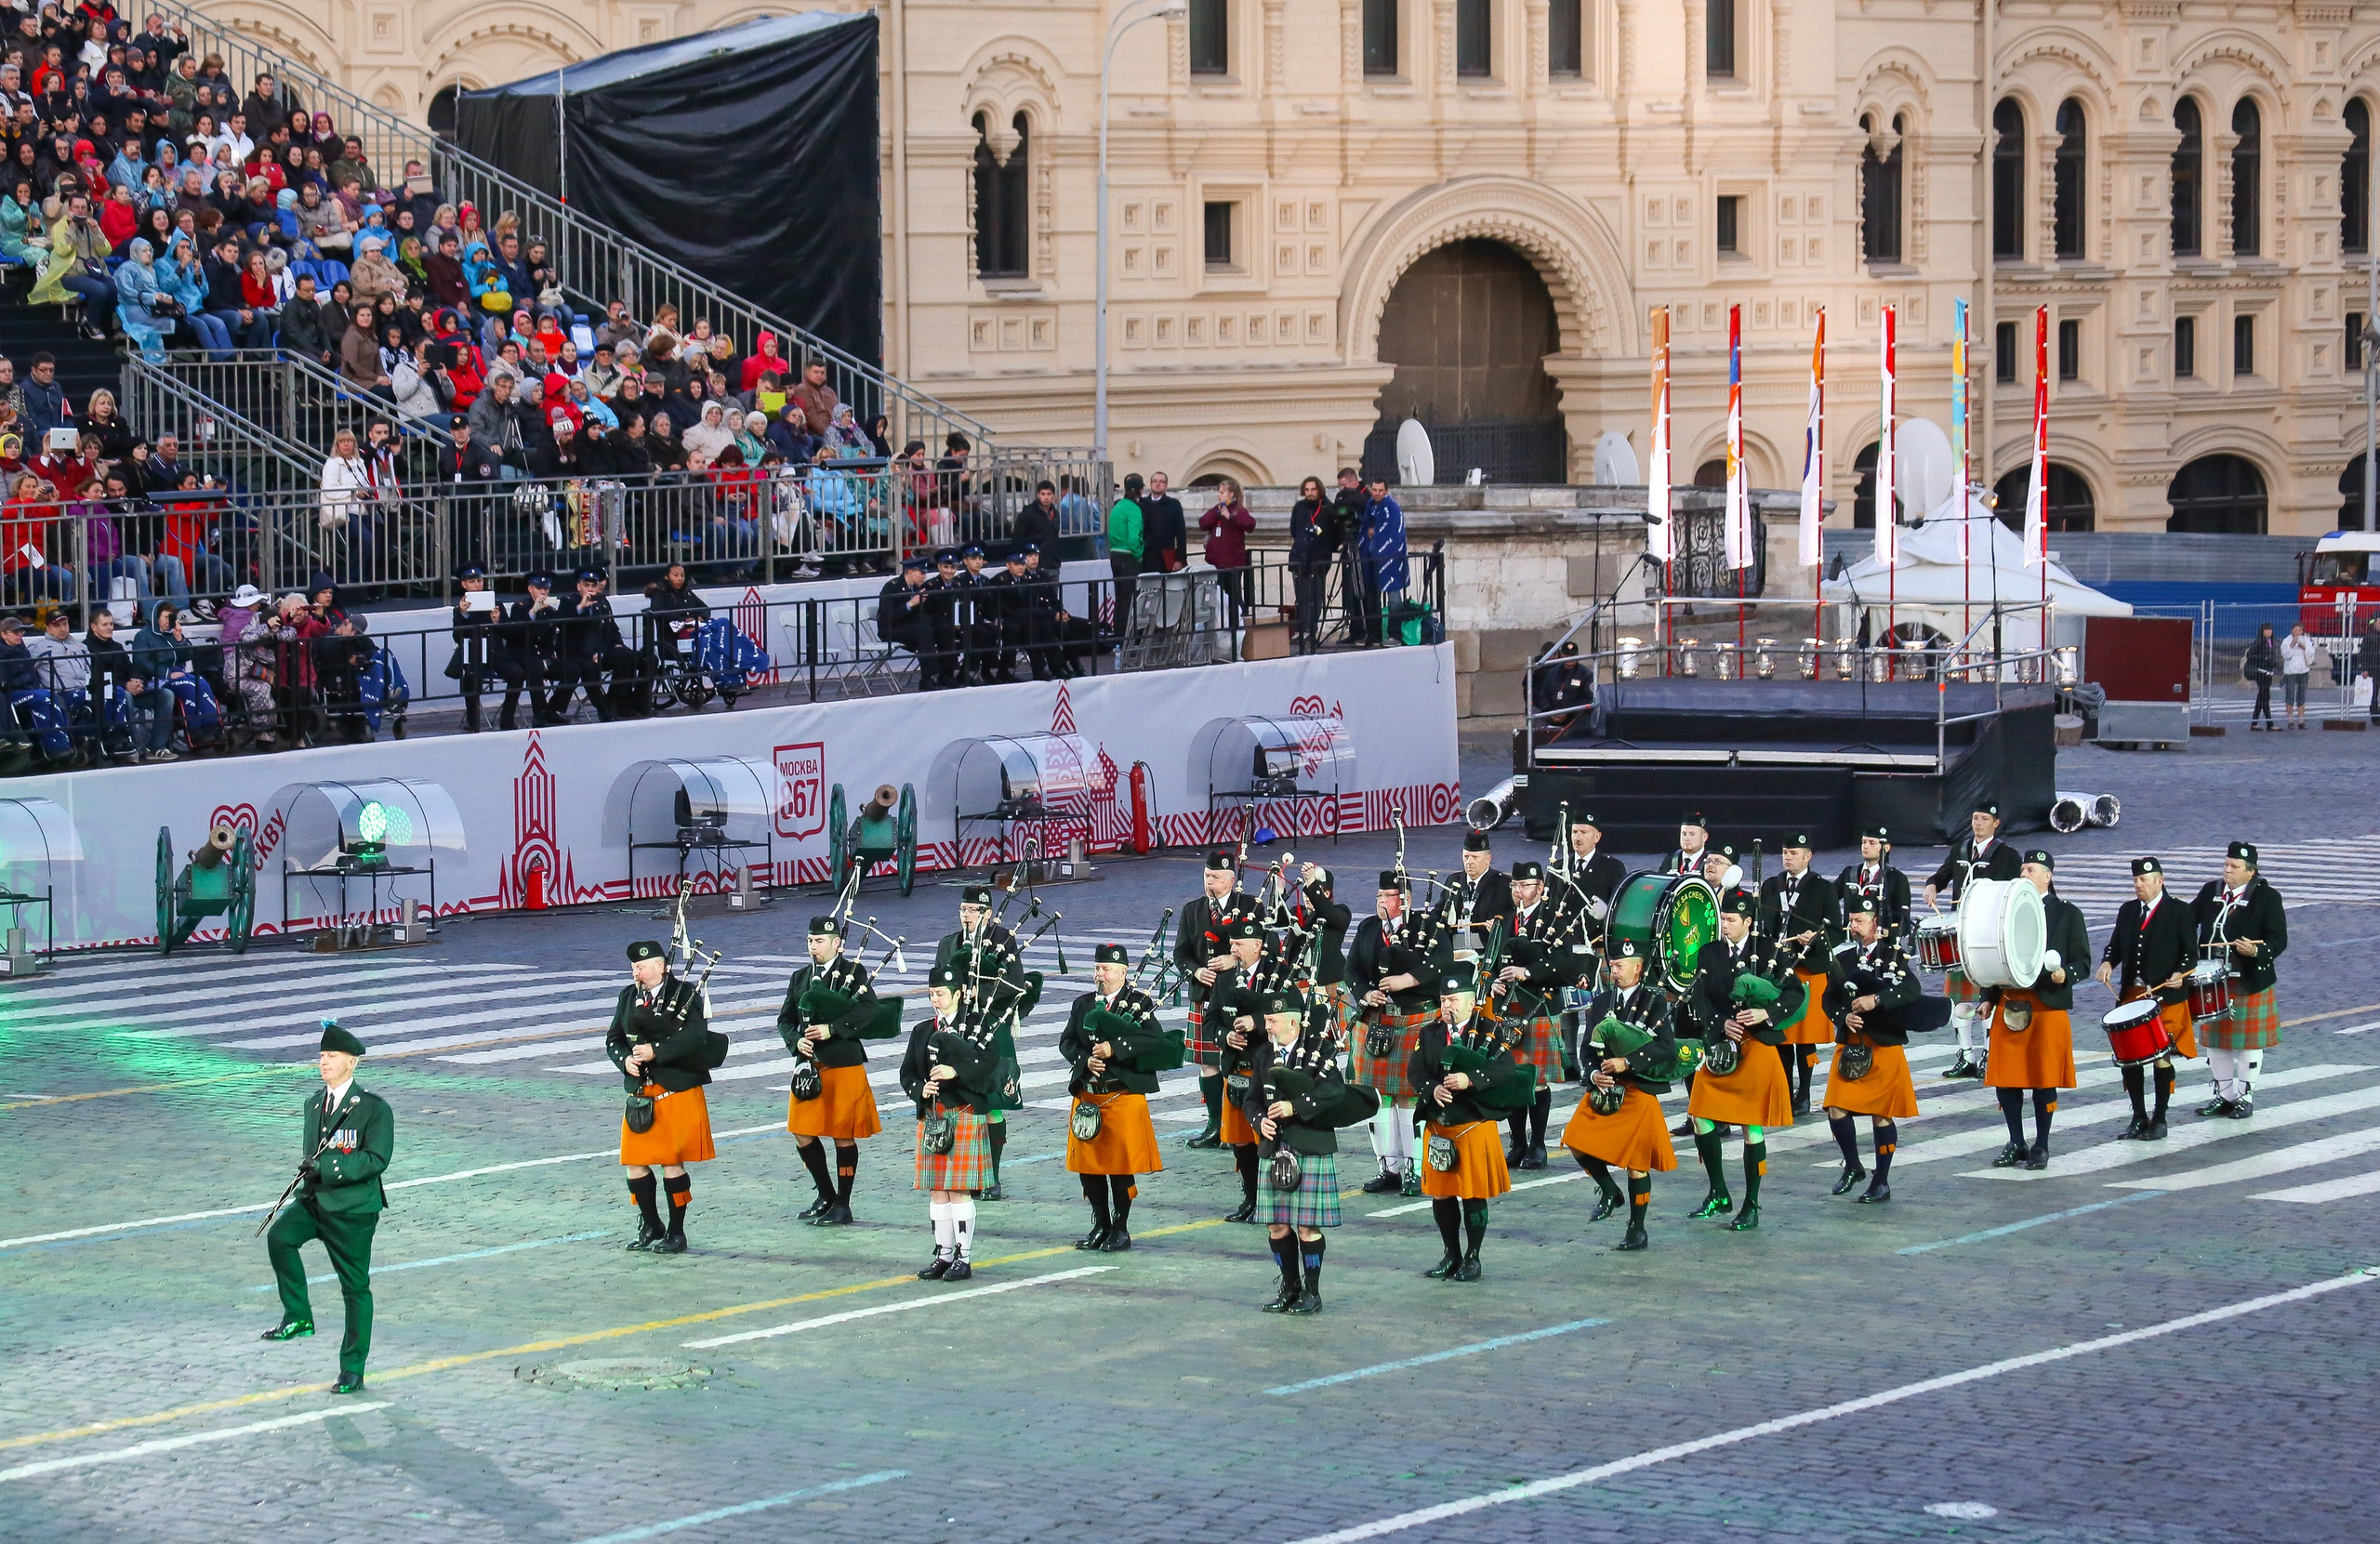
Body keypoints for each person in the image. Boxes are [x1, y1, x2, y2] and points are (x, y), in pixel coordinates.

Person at [259, 1021, 390, 1396]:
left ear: (352, 1063)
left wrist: (329, 1168)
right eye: (321, 1057)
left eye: (332, 1057)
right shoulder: (314, 1103)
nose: (324, 1063)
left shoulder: (372, 1109)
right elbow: (312, 1151)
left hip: (352, 1210)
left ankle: (352, 1369)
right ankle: (298, 1316)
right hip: (315, 1201)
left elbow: (376, 1159)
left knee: (355, 1288)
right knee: (280, 1238)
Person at [1681, 893, 1803, 1229]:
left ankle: (1752, 1204)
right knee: (1700, 1115)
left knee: (1751, 1126)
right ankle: (1719, 1192)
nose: (1725, 925)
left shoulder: (1769, 951)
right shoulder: (1709, 952)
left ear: (1748, 922)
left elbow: (1795, 994)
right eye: (1722, 919)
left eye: (1731, 920)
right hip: (1722, 1046)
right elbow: (1700, 996)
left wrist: (1767, 1012)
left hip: (1757, 1044)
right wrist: (1721, 1023)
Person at [1559, 937, 1679, 1250]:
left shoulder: (1655, 1001)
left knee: (1636, 1163)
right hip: (1605, 1087)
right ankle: (1610, 1190)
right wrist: (1593, 1073)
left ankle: (1637, 1229)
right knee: (1575, 1139)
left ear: (1638, 968)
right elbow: (1587, 1048)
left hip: (1637, 1087)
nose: (1614, 971)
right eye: (1611, 966)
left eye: (1620, 966)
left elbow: (1666, 1047)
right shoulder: (1601, 1003)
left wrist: (1628, 1062)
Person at [779, 916, 894, 1227]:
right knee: (802, 1132)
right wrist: (796, 1041)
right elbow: (785, 1020)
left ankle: (843, 1204)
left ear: (837, 944)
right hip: (809, 1067)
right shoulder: (800, 977)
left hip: (843, 1063)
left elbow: (870, 1010)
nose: (813, 947)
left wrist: (834, 1029)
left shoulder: (852, 973)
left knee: (843, 1135)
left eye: (819, 941)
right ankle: (826, 1195)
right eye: (810, 941)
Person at [1060, 943, 1174, 1252]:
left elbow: (1154, 1040)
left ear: (1123, 972)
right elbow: (1067, 1042)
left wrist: (1115, 1049)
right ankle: (1100, 1224)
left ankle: (1121, 1227)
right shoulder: (1082, 1004)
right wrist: (1085, 1061)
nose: (1101, 974)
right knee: (1089, 1168)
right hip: (1088, 1097)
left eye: (1107, 969)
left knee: (1121, 1168)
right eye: (1097, 968)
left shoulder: (1139, 1003)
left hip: (1121, 1096)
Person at [1408, 972, 1523, 1280]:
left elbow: (1505, 1070)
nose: (1447, 1006)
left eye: (1454, 1000)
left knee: (1473, 1193)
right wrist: (1432, 1089)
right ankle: (1451, 1254)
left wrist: (1469, 1080)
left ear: (1472, 1003)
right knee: (1442, 1193)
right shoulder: (1429, 1033)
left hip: (1473, 1121)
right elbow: (1415, 1071)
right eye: (1444, 1000)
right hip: (1441, 1123)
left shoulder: (1489, 1029)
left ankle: (1473, 1256)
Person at [1978, 851, 2087, 1171]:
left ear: (2047, 876)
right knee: (2006, 1079)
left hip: (2046, 1005)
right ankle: (2016, 1141)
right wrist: (1988, 995)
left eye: (2031, 869)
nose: (2024, 873)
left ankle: (2042, 1144)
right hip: (2010, 1002)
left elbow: (2082, 961)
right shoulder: (2005, 911)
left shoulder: (2068, 914)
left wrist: (2066, 973)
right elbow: (1995, 957)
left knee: (2044, 1079)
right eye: (2022, 868)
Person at [1246, 987, 1352, 1313]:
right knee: (1276, 1224)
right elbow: (1251, 1099)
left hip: (1310, 1144)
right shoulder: (1264, 1053)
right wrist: (1259, 1120)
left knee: (1307, 1226)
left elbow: (1335, 1090)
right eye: (1267, 1020)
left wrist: (1295, 1107)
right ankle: (1289, 1289)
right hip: (1273, 1147)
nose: (1268, 1026)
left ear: (1293, 1024)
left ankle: (1312, 1293)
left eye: (1273, 1021)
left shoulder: (1319, 1050)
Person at [899, 965, 998, 1282]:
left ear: (958, 994)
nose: (935, 1000)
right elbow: (907, 1073)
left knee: (958, 1191)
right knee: (937, 1191)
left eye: (941, 994)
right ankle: (943, 1254)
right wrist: (919, 1089)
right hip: (932, 1116)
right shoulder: (922, 1030)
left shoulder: (979, 1027)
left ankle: (964, 1258)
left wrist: (957, 1072)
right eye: (931, 994)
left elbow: (991, 1064)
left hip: (963, 1113)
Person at [1822, 895, 1923, 1203]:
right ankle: (1853, 1166)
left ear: (1874, 923)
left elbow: (1911, 989)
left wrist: (1876, 1000)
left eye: (1859, 921)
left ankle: (1881, 1180)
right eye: (1851, 921)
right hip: (1851, 1043)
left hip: (1884, 1043)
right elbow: (1829, 998)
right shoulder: (1843, 957)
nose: (1853, 927)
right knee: (1835, 1107)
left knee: (1881, 1115)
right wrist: (1844, 1016)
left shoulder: (1892, 954)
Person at [932, 885, 1030, 1197]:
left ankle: (992, 1177)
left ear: (988, 914)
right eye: (963, 909)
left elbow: (1014, 985)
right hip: (958, 1030)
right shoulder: (949, 943)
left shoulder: (1004, 941)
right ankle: (965, 1172)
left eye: (973, 910)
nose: (967, 915)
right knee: (961, 1100)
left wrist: (981, 993)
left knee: (991, 1102)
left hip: (992, 1027)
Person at [2094, 855, 2198, 1140]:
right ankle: (2138, 1116)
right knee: (2130, 1057)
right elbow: (2115, 946)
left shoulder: (2179, 911)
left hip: (2165, 997)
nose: (2138, 885)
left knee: (2161, 1057)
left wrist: (2179, 973)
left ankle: (2160, 1119)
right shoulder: (2128, 911)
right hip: (2132, 994)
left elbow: (2191, 954)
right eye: (2136, 880)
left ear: (2160, 881)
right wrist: (2106, 964)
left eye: (2144, 880)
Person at [1347, 869, 1434, 1194]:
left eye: (1388, 897)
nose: (1382, 902)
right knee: (1379, 1098)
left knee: (1409, 1097)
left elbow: (1439, 963)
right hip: (1378, 1021)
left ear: (1406, 900)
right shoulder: (1369, 927)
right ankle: (1389, 1168)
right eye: (1379, 897)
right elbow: (1351, 968)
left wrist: (1407, 980)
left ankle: (1415, 1171)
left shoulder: (1427, 925)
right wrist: (1366, 994)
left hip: (1414, 1020)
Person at [1925, 801, 2022, 1079]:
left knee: (1986, 997)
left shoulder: (2007, 855)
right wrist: (1933, 884)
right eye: (1975, 818)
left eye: (1984, 819)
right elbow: (1943, 875)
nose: (1978, 823)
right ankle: (1966, 1055)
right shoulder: (1961, 849)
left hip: (1987, 934)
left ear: (1996, 823)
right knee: (1959, 1000)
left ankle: (1990, 1055)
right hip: (1960, 930)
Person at [2190, 842, 2288, 1118]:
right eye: (2226, 865)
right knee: (2215, 1041)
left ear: (2251, 871)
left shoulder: (2267, 897)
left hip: (2248, 979)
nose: (2227, 870)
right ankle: (2224, 1095)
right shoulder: (2211, 891)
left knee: (2248, 1043)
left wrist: (2257, 951)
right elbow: (2188, 918)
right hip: (2213, 979)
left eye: (2234, 867)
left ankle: (2246, 1097)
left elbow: (2279, 939)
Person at [1486, 860, 1570, 1169]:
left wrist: (1529, 971)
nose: (1518, 892)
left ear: (1540, 888)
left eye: (1524, 886)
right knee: (1511, 1079)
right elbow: (1490, 960)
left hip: (1539, 1008)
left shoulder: (1554, 922)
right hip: (1507, 1010)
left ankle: (1538, 1145)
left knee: (1535, 1081)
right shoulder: (1504, 922)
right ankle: (1517, 1143)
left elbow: (1564, 964)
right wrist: (1492, 979)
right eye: (1514, 886)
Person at [1174, 849, 1255, 1149]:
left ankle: (1240, 1125)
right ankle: (1214, 1125)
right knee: (1208, 1064)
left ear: (1231, 880)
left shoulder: (1248, 907)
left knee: (1241, 1063)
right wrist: (1195, 972)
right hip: (1205, 995)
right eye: (1207, 876)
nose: (1210, 882)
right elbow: (1180, 952)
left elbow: (1263, 946)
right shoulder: (1192, 910)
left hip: (1240, 994)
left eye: (1217, 877)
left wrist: (1231, 961)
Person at [1760, 832, 1840, 1114]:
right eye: (1785, 852)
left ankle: (1804, 1094)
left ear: (1808, 856)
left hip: (1808, 970)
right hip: (1778, 971)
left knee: (1805, 1040)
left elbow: (1835, 930)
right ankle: (1783, 1090)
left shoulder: (1822, 888)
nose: (1788, 857)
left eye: (1794, 853)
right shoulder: (1771, 886)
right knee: (1781, 1036)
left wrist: (1815, 938)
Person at [1206, 917, 1271, 1222]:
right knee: (1240, 1140)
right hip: (1234, 1069)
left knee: (1264, 1138)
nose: (1233, 949)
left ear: (1257, 946)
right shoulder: (1225, 978)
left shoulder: (1276, 976)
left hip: (1264, 1069)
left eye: (1240, 944)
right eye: (1231, 944)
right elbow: (1211, 1020)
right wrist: (1225, 1036)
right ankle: (1251, 1197)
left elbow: (1286, 1006)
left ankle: (1270, 1198)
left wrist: (1256, 1022)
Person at [551, 566, 641, 722]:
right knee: (588, 667)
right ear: (579, 586)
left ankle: (615, 699)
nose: (590, 589)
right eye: (586, 585)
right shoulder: (569, 601)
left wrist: (610, 647)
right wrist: (581, 608)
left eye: (593, 585)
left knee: (628, 655)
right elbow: (561, 624)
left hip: (600, 650)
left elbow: (610, 628)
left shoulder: (602, 602)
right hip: (576, 652)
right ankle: (602, 709)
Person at [444, 562, 518, 732]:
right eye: (472, 582)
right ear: (464, 584)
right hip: (474, 654)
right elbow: (458, 637)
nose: (477, 585)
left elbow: (509, 633)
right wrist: (464, 615)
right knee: (470, 678)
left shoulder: (495, 602)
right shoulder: (460, 609)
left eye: (479, 581)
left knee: (517, 673)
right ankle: (473, 721)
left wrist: (497, 621)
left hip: (496, 653)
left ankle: (507, 719)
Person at [878, 555, 954, 688]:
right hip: (892, 628)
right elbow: (887, 616)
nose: (924, 577)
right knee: (924, 630)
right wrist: (910, 604)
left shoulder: (918, 589)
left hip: (911, 626)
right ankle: (927, 678)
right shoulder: (892, 587)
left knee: (943, 626)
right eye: (921, 573)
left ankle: (946, 673)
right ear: (911, 571)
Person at [1287, 475, 1343, 652]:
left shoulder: (1328, 508)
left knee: (1315, 596)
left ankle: (1312, 629)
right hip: (1299, 557)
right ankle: (1303, 627)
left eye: (1313, 489)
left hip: (1319, 558)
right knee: (1301, 595)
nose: (1310, 493)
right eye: (1307, 490)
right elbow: (1294, 530)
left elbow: (1335, 534)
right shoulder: (1299, 507)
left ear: (1319, 490)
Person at [1199, 476, 1257, 632]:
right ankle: (1220, 624)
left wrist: (1230, 517)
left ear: (1231, 494)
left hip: (1232, 562)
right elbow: (1203, 522)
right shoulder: (1216, 509)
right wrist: (1216, 515)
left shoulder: (1239, 510)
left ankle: (1237, 624)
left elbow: (1250, 524)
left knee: (1233, 595)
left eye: (1222, 492)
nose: (1219, 495)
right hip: (1216, 562)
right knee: (1218, 595)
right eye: (1219, 492)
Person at [1836, 825, 1913, 939]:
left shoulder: (1896, 878)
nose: (1865, 846)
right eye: (1864, 842)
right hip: (1850, 941)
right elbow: (1829, 898)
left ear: (1886, 848)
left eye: (1872, 843)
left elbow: (1904, 922)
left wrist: (1886, 933)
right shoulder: (1849, 873)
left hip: (1881, 945)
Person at [1357, 476, 1407, 646]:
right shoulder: (1370, 506)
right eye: (1374, 490)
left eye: (1380, 490)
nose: (1377, 493)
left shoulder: (1392, 508)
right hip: (1371, 559)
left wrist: (1376, 532)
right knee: (1372, 598)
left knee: (1394, 598)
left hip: (1390, 559)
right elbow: (1365, 529)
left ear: (1386, 491)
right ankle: (1373, 634)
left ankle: (1395, 635)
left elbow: (1395, 533)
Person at [1105, 472, 1144, 633]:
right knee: (1130, 599)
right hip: (1128, 556)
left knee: (1120, 598)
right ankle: (1128, 638)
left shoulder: (1118, 506)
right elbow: (1134, 538)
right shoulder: (1134, 509)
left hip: (1115, 554)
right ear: (1139, 490)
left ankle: (1118, 636)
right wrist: (1139, 554)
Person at [2279, 622, 2318, 730]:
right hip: (2290, 671)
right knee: (2290, 695)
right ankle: (2290, 719)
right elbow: (2286, 655)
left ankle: (2301, 719)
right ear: (2292, 630)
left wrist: (2303, 647)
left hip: (2303, 670)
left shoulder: (2306, 639)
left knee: (2301, 695)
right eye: (2295, 630)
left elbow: (2311, 652)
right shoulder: (2286, 640)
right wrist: (2292, 645)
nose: (2297, 632)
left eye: (2299, 630)